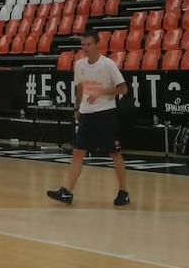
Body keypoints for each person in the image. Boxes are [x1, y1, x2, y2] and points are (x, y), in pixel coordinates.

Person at [48, 31, 130, 207]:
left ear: (97, 44)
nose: (85, 48)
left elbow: (123, 89)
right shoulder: (79, 65)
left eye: (88, 44)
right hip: (86, 114)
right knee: (78, 152)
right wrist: (77, 108)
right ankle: (67, 192)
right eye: (82, 45)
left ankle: (123, 191)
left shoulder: (108, 65)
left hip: (105, 114)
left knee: (114, 153)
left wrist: (102, 92)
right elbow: (80, 87)